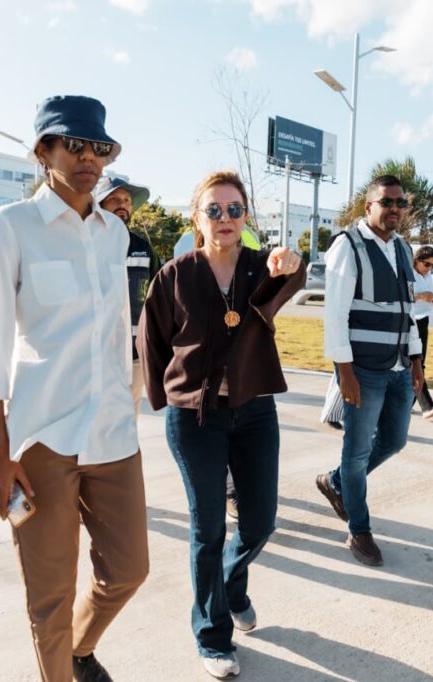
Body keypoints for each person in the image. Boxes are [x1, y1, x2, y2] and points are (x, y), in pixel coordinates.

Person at [0, 95, 148, 682]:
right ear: (44, 150)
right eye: (75, 144)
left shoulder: (114, 233)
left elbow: (119, 331)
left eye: (99, 147)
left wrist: (132, 396)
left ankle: (78, 651)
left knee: (128, 570)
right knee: (48, 596)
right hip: (42, 438)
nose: (89, 157)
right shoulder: (11, 226)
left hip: (113, 431)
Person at [138, 171, 304, 679]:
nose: (225, 219)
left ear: (246, 217)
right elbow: (152, 343)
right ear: (197, 218)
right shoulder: (175, 275)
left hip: (255, 413)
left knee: (260, 520)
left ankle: (232, 584)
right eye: (214, 210)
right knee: (207, 527)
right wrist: (166, 398)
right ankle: (212, 636)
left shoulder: (261, 267)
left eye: (234, 210)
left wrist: (292, 259)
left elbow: (294, 276)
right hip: (197, 418)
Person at [314, 175, 424, 568]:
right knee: (357, 452)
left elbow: (407, 312)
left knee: (394, 441)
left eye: (400, 203)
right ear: (369, 206)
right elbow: (335, 315)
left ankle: (336, 481)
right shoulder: (348, 246)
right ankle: (359, 529)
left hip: (397, 367)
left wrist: (416, 360)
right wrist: (344, 371)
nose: (394, 209)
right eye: (386, 202)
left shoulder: (401, 247)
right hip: (363, 370)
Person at [93, 174, 160, 418]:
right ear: (99, 204)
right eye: (114, 199)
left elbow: (157, 297)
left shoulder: (143, 247)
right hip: (96, 352)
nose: (122, 204)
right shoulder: (85, 242)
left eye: (127, 200)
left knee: (127, 421)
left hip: (134, 354)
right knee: (93, 420)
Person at [411, 245, 433, 418]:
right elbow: (399, 295)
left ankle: (406, 403)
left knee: (419, 362)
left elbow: (428, 298)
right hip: (410, 322)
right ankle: (427, 405)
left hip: (423, 320)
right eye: (427, 264)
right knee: (414, 363)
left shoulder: (428, 275)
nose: (430, 268)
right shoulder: (407, 273)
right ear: (416, 261)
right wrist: (420, 296)